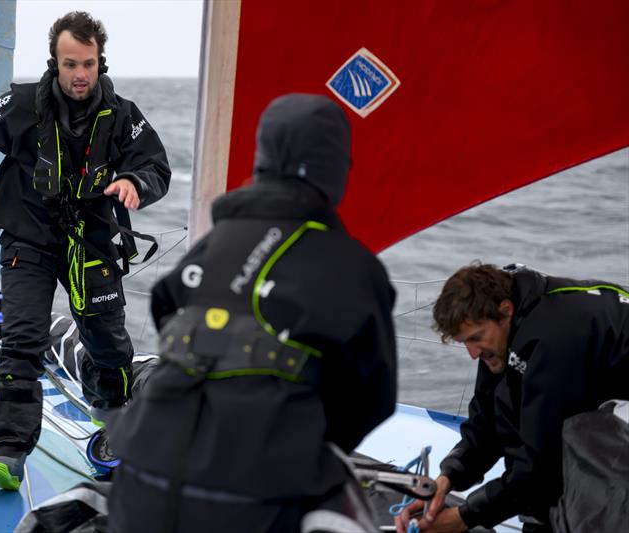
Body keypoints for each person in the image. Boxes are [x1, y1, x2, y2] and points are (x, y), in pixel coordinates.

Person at [106, 93, 397, 532]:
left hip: (140, 473)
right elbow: (372, 397)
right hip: (253, 497)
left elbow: (167, 305)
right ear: (334, 167)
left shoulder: (212, 245)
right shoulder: (351, 267)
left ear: (262, 159)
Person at [0, 11, 171, 491]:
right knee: (22, 339)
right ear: (55, 62)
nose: (80, 75)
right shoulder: (19, 105)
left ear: (101, 62)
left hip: (91, 243)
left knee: (109, 345)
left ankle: (113, 427)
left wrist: (135, 183)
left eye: (88, 64)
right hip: (27, 239)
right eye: (70, 64)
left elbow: (156, 165)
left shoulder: (122, 115)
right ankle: (10, 451)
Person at [396, 263, 629, 533]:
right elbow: (488, 423)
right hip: (600, 381)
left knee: (585, 479)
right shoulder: (504, 330)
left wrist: (464, 517)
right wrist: (446, 479)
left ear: (505, 311)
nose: (472, 353)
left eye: (476, 339)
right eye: (465, 343)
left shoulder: (553, 339)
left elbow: (539, 465)